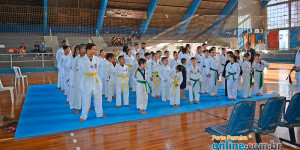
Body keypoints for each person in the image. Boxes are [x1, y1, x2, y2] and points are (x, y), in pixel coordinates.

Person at [78, 43, 107, 122]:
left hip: (96, 79)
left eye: (95, 49)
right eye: (93, 49)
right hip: (87, 80)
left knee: (98, 97)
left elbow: (98, 69)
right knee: (86, 99)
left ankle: (99, 113)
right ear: (88, 50)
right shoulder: (82, 60)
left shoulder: (97, 59)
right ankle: (83, 116)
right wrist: (87, 76)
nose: (95, 50)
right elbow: (80, 72)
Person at [71, 44, 86, 114]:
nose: (86, 50)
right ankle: (77, 108)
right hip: (78, 78)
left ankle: (86, 107)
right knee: (78, 93)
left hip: (86, 78)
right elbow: (73, 69)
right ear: (80, 50)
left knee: (86, 93)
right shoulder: (76, 59)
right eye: (85, 49)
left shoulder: (87, 58)